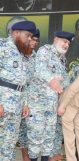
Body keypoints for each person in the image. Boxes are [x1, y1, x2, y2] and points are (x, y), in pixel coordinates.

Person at [25, 31, 74, 161]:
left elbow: (64, 81)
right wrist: (52, 80)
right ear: (56, 39)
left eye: (68, 43)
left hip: (52, 105)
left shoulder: (62, 59)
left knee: (49, 138)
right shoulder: (45, 50)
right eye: (64, 41)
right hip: (37, 104)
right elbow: (40, 69)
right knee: (36, 136)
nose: (66, 45)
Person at [0, 20, 36, 161]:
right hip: (4, 103)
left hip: (17, 105)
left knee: (9, 143)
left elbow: (23, 81)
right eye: (27, 35)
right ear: (15, 33)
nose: (29, 39)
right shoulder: (2, 46)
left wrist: (25, 103)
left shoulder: (20, 51)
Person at [18, 29, 40, 161]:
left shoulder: (38, 58)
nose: (34, 42)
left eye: (37, 40)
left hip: (35, 101)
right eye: (32, 39)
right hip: (19, 98)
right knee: (21, 131)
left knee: (34, 131)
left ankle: (32, 157)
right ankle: (25, 157)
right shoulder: (17, 55)